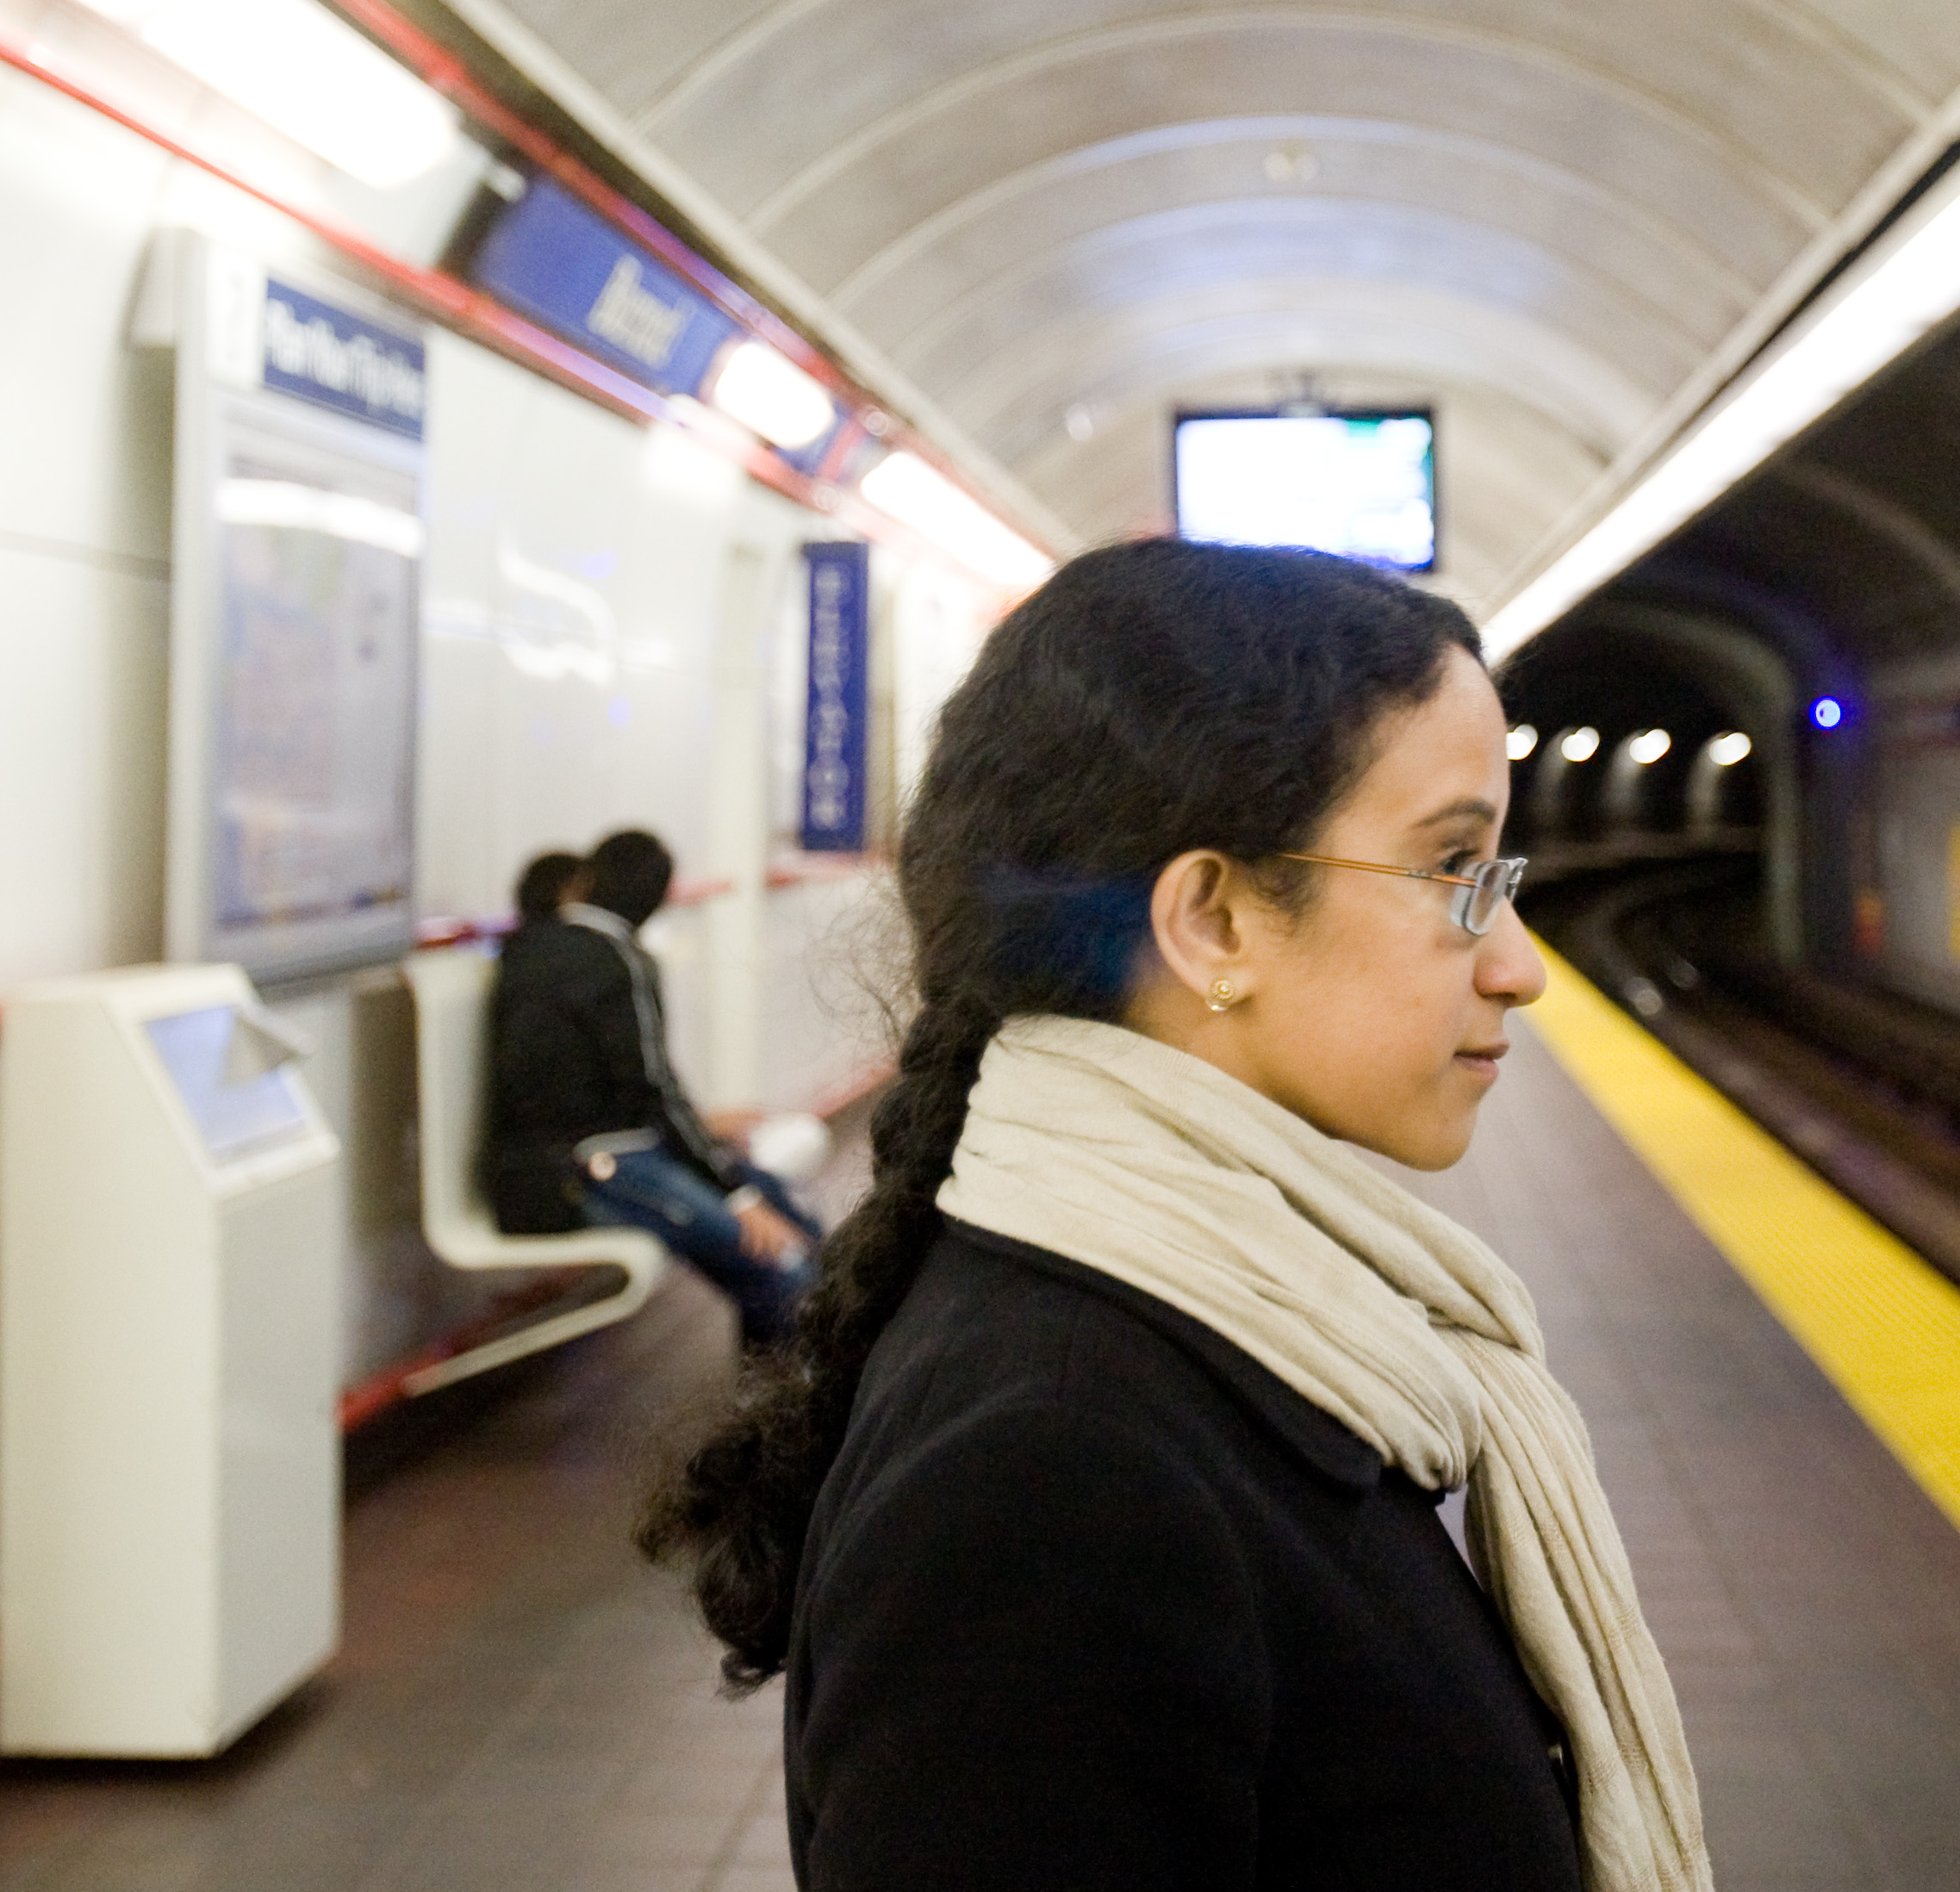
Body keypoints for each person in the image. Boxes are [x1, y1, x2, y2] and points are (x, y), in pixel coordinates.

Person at [642, 540, 1712, 1892]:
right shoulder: (1053, 1479)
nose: (1519, 965)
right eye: (1455, 871)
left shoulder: (1241, 1327)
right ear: (1213, 919)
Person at [483, 836, 822, 1346]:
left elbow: (577, 1084)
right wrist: (736, 1193)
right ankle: (792, 1409)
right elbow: (651, 1087)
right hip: (584, 1170)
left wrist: (704, 1134)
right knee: (783, 1258)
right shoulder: (616, 958)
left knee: (781, 1221)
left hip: (559, 1163)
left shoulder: (529, 950)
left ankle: (779, 1399)